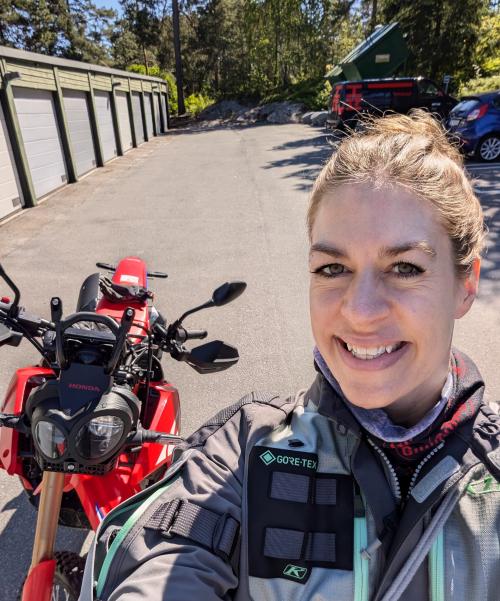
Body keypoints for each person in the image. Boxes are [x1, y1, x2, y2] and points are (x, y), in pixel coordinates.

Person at [80, 110, 500, 601]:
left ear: (465, 284)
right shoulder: (243, 449)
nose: (360, 311)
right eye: (332, 268)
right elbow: (165, 567)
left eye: (405, 267)